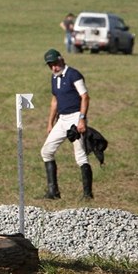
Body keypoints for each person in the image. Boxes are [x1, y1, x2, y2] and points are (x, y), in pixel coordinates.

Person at [40, 49, 93, 200]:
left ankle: (87, 194)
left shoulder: (74, 75)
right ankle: (53, 192)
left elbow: (85, 97)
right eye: (50, 66)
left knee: (80, 156)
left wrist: (81, 119)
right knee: (46, 151)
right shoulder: (54, 78)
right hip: (61, 120)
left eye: (55, 64)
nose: (54, 68)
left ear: (61, 60)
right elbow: (54, 101)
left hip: (75, 118)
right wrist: (50, 122)